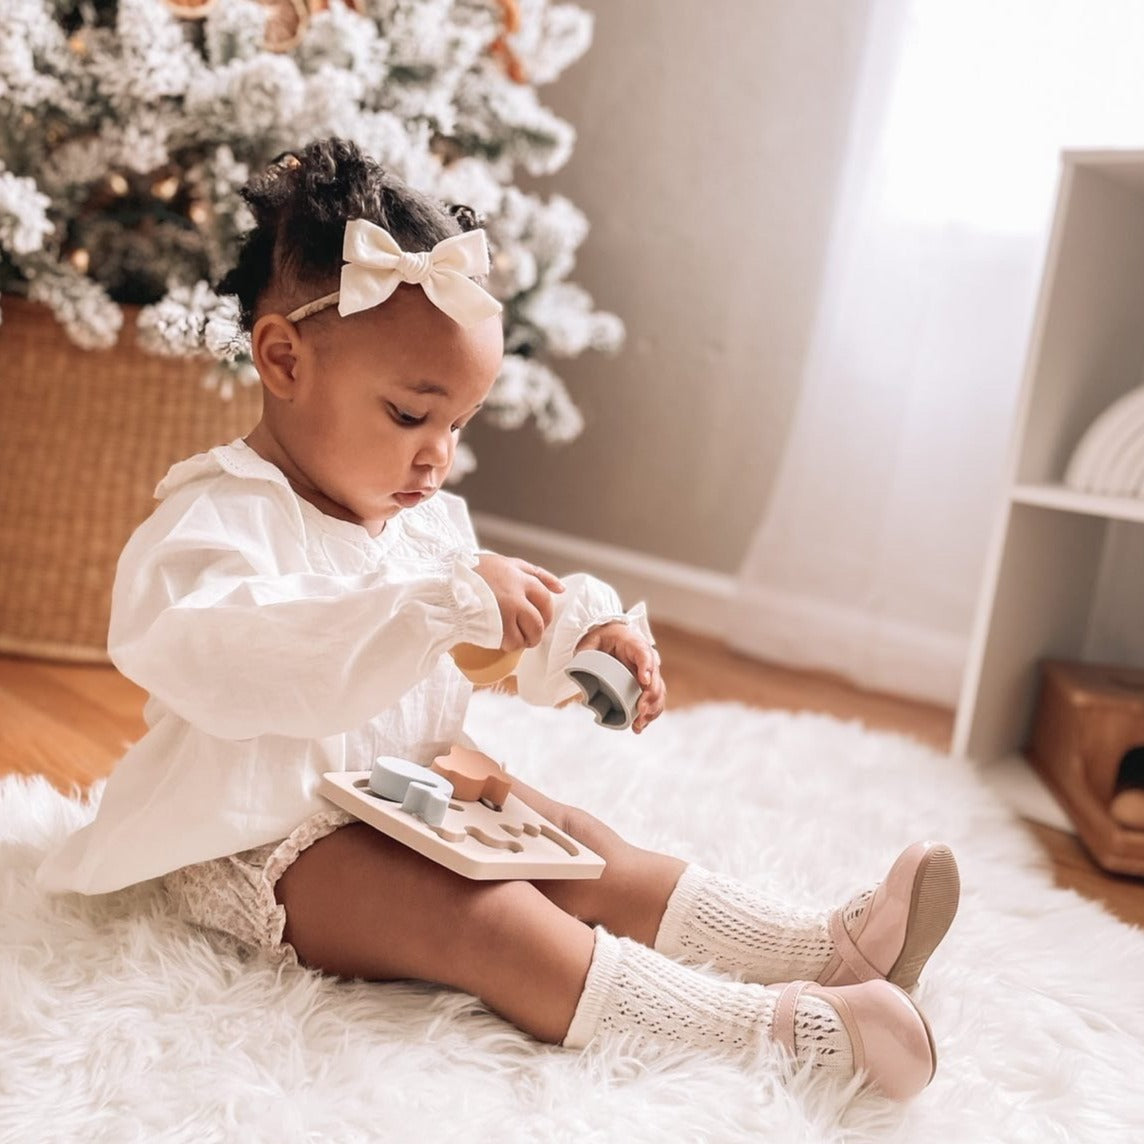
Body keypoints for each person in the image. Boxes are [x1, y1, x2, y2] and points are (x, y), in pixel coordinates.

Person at [37, 138, 959, 1102]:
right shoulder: (217, 517)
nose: (435, 459)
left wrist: (582, 644)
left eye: (457, 427)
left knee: (573, 840)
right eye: (407, 416)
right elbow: (231, 653)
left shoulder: (420, 521)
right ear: (283, 359)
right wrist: (432, 604)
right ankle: (794, 1034)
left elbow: (493, 638)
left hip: (412, 793)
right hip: (271, 838)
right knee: (488, 919)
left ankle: (822, 945)